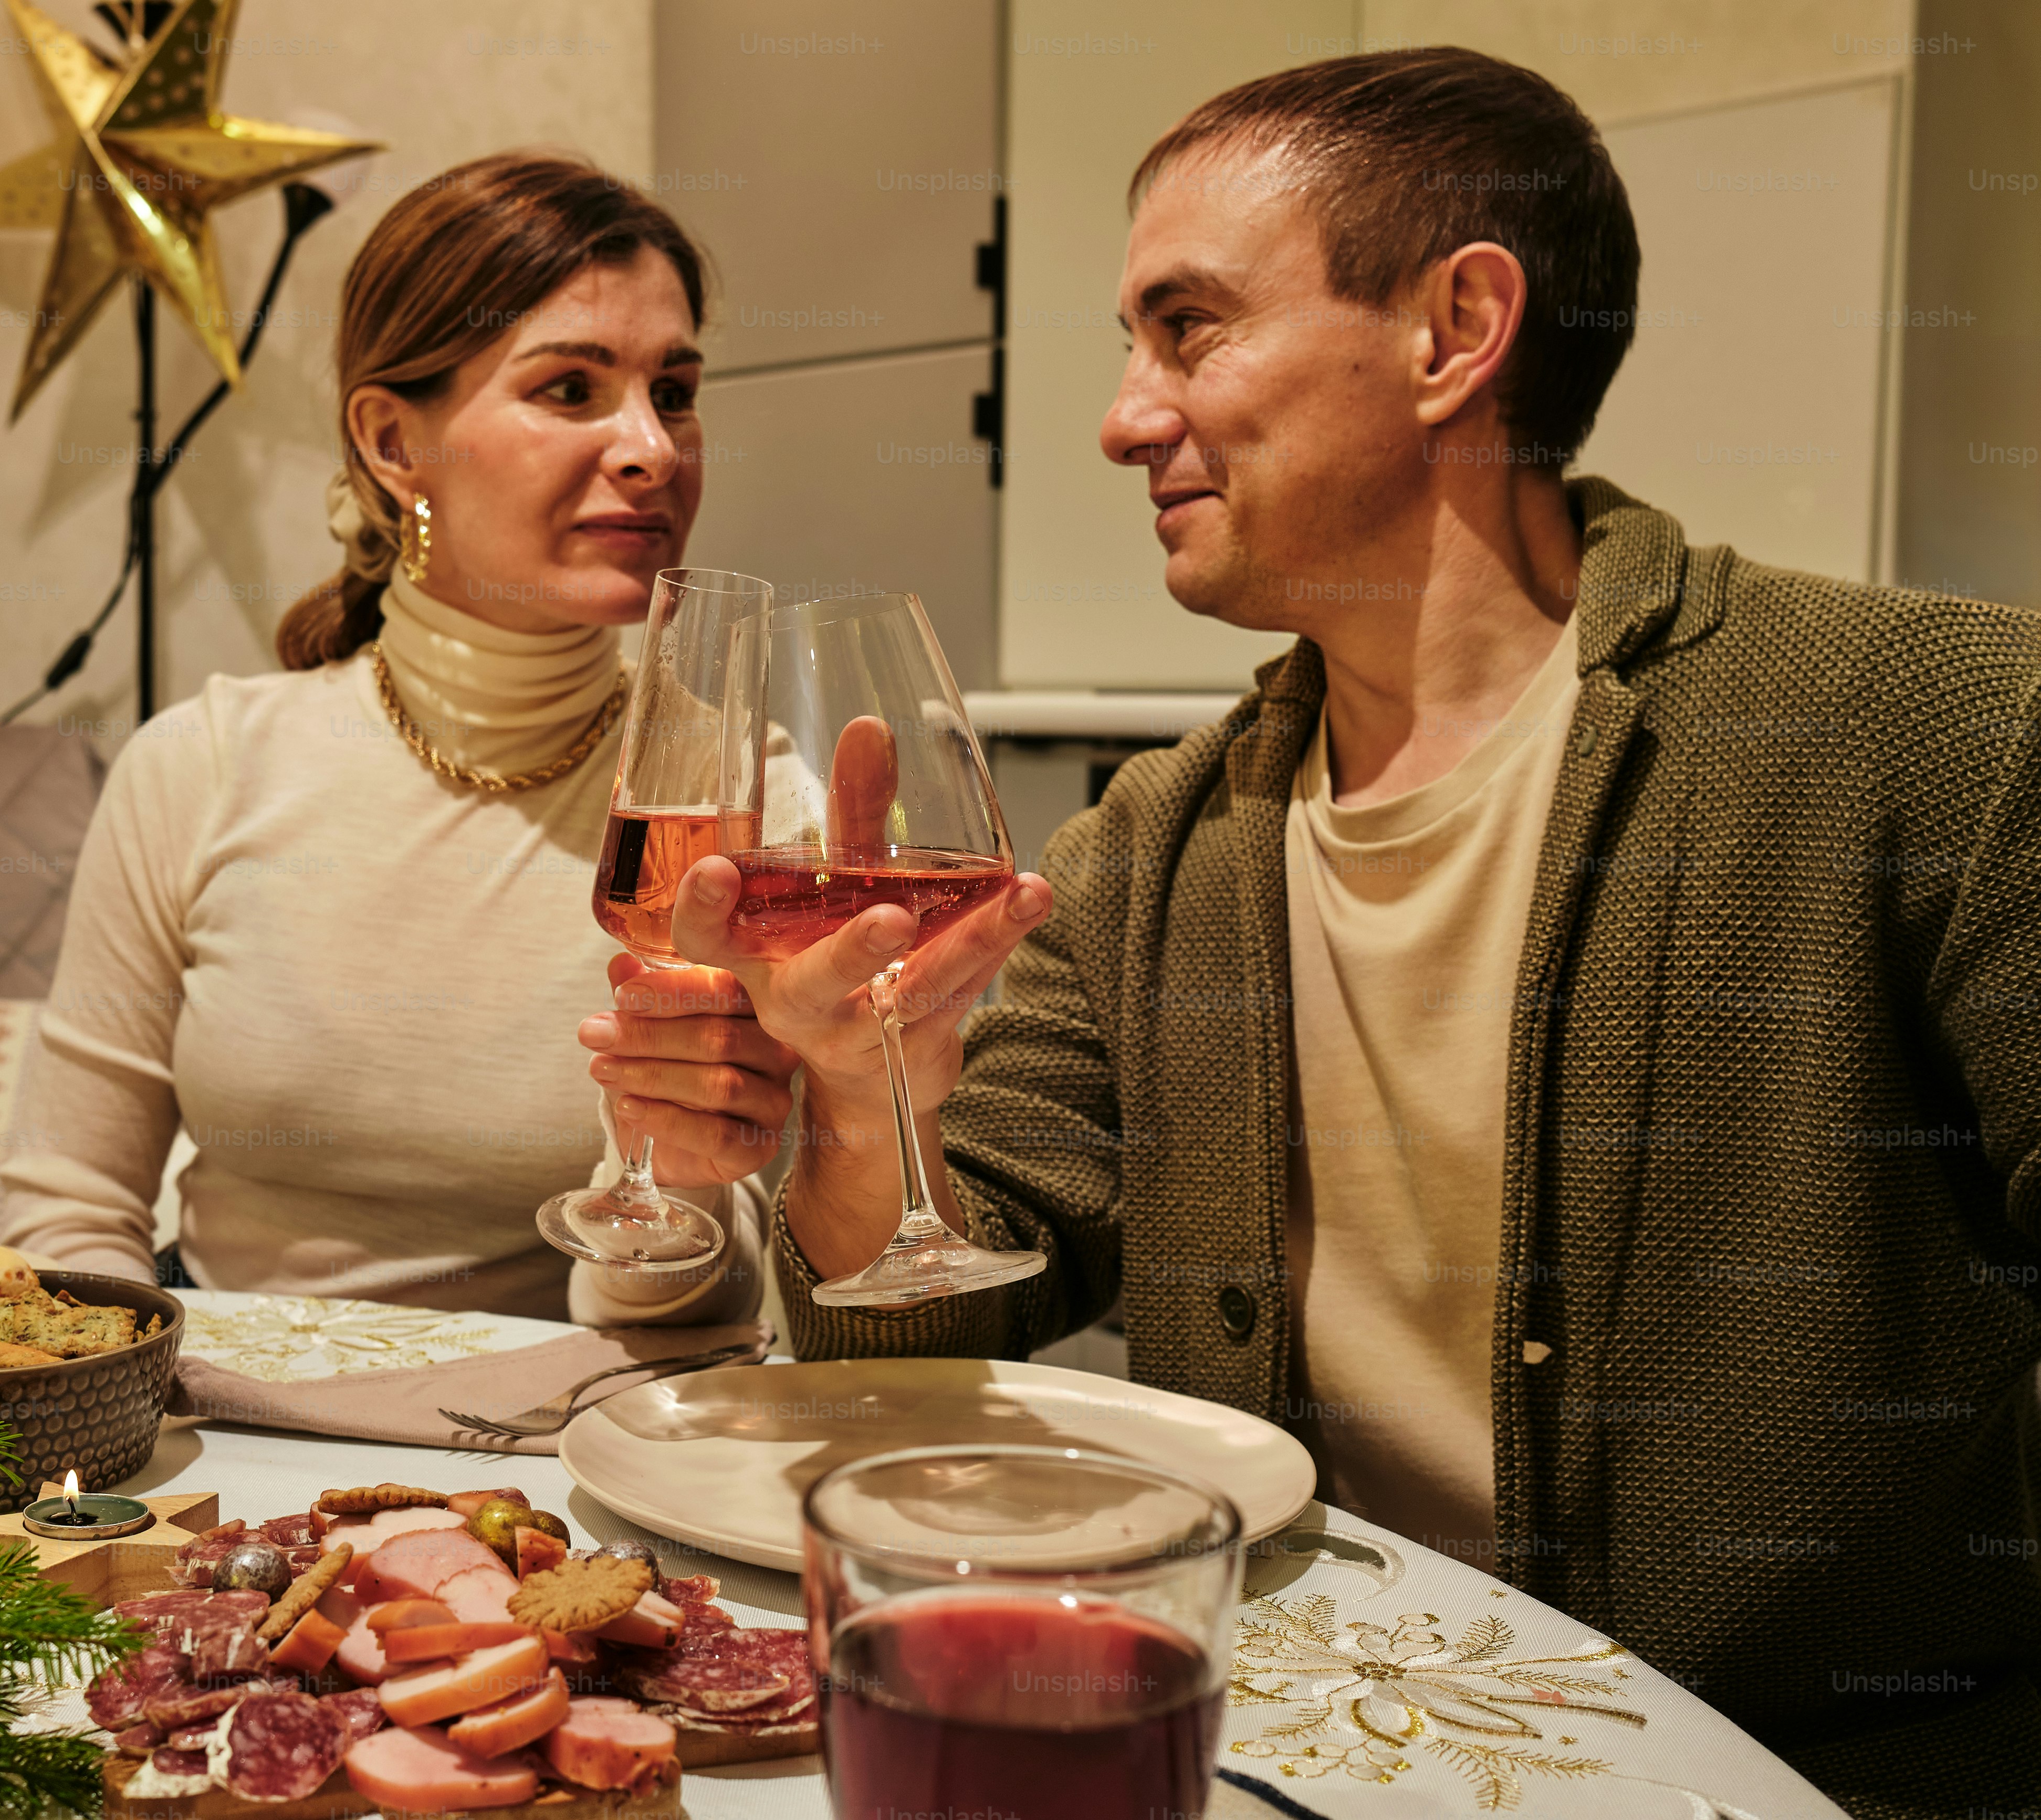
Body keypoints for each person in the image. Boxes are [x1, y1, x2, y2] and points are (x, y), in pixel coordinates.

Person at [644, 48, 2038, 1819]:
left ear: (1457, 330)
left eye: (1189, 330)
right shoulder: (1154, 846)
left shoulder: (1937, 730)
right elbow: (915, 1345)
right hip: (1287, 1751)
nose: (1122, 420)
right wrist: (862, 1102)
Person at [0, 153, 794, 1325]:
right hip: (216, 1399)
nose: (654, 450)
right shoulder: (200, 767)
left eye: (672, 392)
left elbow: (735, 1302)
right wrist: (148, 1399)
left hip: (568, 1412)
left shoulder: (747, 801)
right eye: (570, 389)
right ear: (390, 441)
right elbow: (63, 1209)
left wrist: (676, 1196)